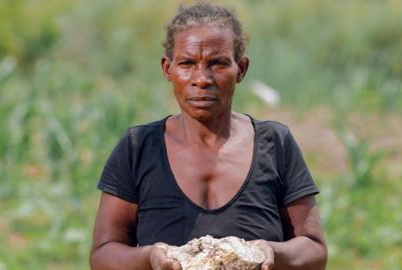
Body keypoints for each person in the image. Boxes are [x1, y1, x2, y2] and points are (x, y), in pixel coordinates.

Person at [90, 3, 327, 270]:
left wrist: (269, 251)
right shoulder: (138, 147)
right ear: (168, 69)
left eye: (218, 64)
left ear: (242, 69)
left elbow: (314, 249)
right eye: (187, 64)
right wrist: (150, 257)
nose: (202, 79)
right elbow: (103, 255)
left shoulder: (275, 143)